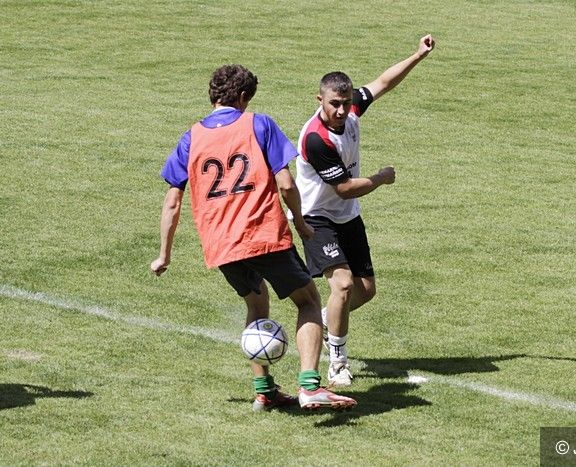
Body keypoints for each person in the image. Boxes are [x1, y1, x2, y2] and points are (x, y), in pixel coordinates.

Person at [150, 64, 356, 411]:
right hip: (262, 234)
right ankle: (310, 386)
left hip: (221, 244)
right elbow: (286, 184)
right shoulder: (258, 124)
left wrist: (164, 255)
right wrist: (301, 222)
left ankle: (264, 390)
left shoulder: (191, 137)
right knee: (308, 300)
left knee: (256, 305)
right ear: (244, 97)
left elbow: (172, 202)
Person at [294, 35, 436, 387]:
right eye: (334, 104)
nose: (341, 111)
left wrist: (417, 55)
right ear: (319, 100)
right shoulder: (316, 138)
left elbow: (383, 82)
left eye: (345, 103)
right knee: (343, 285)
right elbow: (343, 187)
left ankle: (328, 317)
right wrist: (379, 178)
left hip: (347, 216)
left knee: (366, 291)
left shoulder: (352, 109)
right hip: (316, 218)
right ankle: (337, 362)